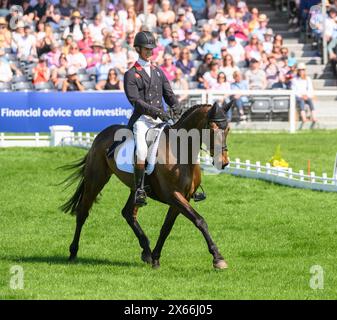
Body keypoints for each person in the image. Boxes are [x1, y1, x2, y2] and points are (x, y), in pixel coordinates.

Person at [122, 31, 180, 207]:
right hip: (142, 120)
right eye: (146, 49)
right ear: (138, 49)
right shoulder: (131, 74)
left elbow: (168, 94)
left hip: (160, 119)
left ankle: (189, 184)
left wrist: (176, 107)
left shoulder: (158, 71)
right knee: (141, 151)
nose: (149, 52)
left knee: (182, 141)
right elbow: (136, 101)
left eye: (151, 49)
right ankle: (140, 189)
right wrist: (157, 111)